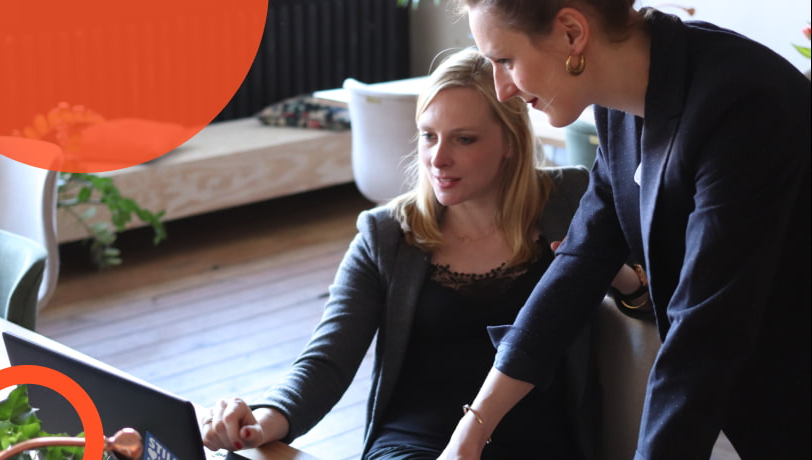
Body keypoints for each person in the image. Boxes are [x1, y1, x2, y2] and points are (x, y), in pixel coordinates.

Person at [200, 47, 648, 459]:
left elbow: (654, 304)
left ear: (510, 141)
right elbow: (327, 361)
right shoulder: (387, 234)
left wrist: (619, 276)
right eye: (428, 136)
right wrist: (261, 421)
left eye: (464, 139)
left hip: (539, 445)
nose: (438, 158)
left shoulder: (571, 198)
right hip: (414, 445)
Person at [439, 1, 811, 460]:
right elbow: (582, 258)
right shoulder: (621, 106)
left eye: (505, 61)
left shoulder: (741, 102)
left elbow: (705, 332)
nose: (502, 90)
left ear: (573, 33)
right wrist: (471, 431)